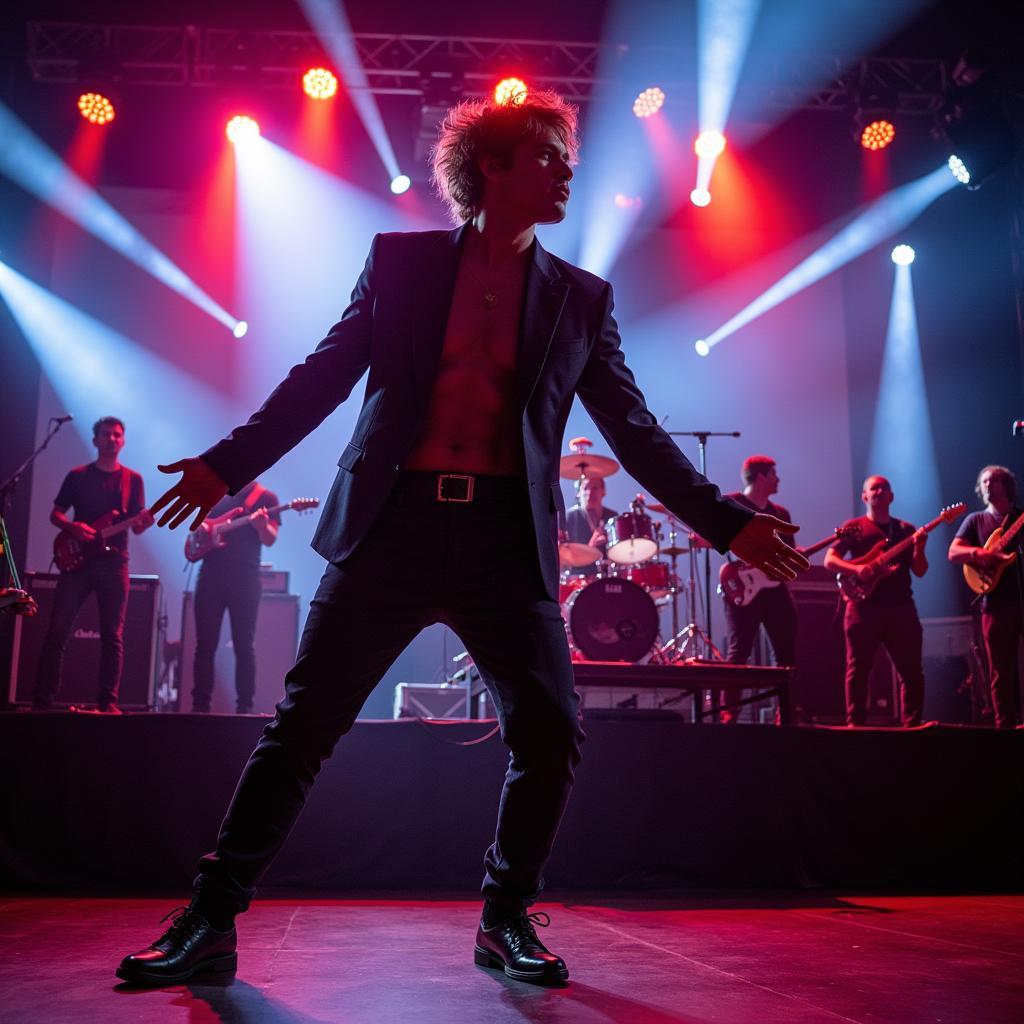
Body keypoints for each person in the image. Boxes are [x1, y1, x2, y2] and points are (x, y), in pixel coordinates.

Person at [117, 90, 806, 988]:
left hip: (501, 538)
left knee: (553, 731)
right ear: (493, 164)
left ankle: (505, 915)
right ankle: (209, 918)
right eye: (550, 155)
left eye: (569, 157)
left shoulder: (579, 299)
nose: (568, 170)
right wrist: (224, 462)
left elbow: (635, 432)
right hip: (390, 524)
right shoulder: (400, 266)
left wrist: (724, 522)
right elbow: (321, 377)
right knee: (303, 728)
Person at [33, 417, 153, 714]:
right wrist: (74, 529)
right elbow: (56, 515)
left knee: (113, 635)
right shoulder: (78, 476)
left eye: (117, 434)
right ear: (95, 440)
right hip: (78, 564)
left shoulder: (133, 480)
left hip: (114, 564)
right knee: (57, 631)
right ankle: (42, 703)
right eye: (106, 434)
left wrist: (146, 522)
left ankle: (108, 704)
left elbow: (136, 527)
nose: (112, 439)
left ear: (123, 441)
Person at [824, 475, 927, 727]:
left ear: (892, 496)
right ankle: (855, 724)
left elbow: (921, 570)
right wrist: (856, 570)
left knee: (911, 671)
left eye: (885, 488)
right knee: (858, 669)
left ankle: (912, 726)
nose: (880, 491)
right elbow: (829, 560)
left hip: (901, 607)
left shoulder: (905, 530)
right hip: (862, 607)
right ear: (865, 496)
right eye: (874, 488)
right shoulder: (855, 527)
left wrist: (920, 547)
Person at [718, 456, 798, 723]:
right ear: (761, 477)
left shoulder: (781, 514)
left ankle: (784, 713)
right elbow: (712, 538)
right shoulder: (732, 504)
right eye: (774, 474)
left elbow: (789, 553)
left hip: (775, 589)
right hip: (745, 588)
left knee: (786, 649)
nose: (779, 479)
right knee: (739, 651)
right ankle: (729, 712)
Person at [191, 480, 280, 714]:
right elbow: (195, 526)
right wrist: (202, 531)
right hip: (210, 576)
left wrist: (262, 526)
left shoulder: (266, 498)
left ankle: (244, 708)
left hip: (245, 579)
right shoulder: (214, 492)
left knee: (244, 645)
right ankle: (199, 706)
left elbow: (270, 539)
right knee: (205, 645)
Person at [948, 465, 1023, 728]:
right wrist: (979, 554)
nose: (988, 485)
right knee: (999, 669)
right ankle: (1005, 725)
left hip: (1021, 596)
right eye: (984, 482)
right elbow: (954, 552)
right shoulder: (975, 520)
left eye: (993, 480)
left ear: (1006, 485)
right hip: (994, 604)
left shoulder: (1019, 517)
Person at [561, 474, 617, 575]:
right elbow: (563, 557)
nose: (590, 492)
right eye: (586, 488)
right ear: (578, 493)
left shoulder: (613, 517)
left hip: (609, 576)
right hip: (579, 578)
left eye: (595, 488)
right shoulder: (569, 518)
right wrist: (591, 547)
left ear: (603, 491)